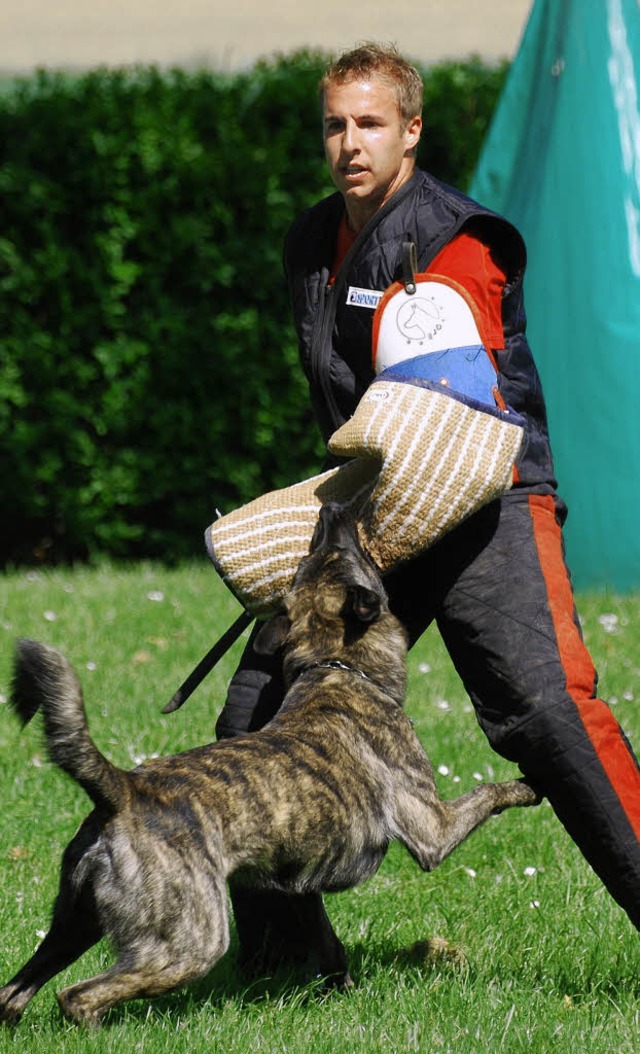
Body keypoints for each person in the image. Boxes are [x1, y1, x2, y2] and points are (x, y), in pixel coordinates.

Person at [215, 42, 640, 982]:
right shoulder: (309, 245)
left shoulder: (458, 238)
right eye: (335, 124)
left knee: (542, 709)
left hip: (484, 497)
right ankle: (292, 967)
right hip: (376, 514)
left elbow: (452, 413)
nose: (349, 143)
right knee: (252, 729)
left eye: (370, 123)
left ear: (412, 131)